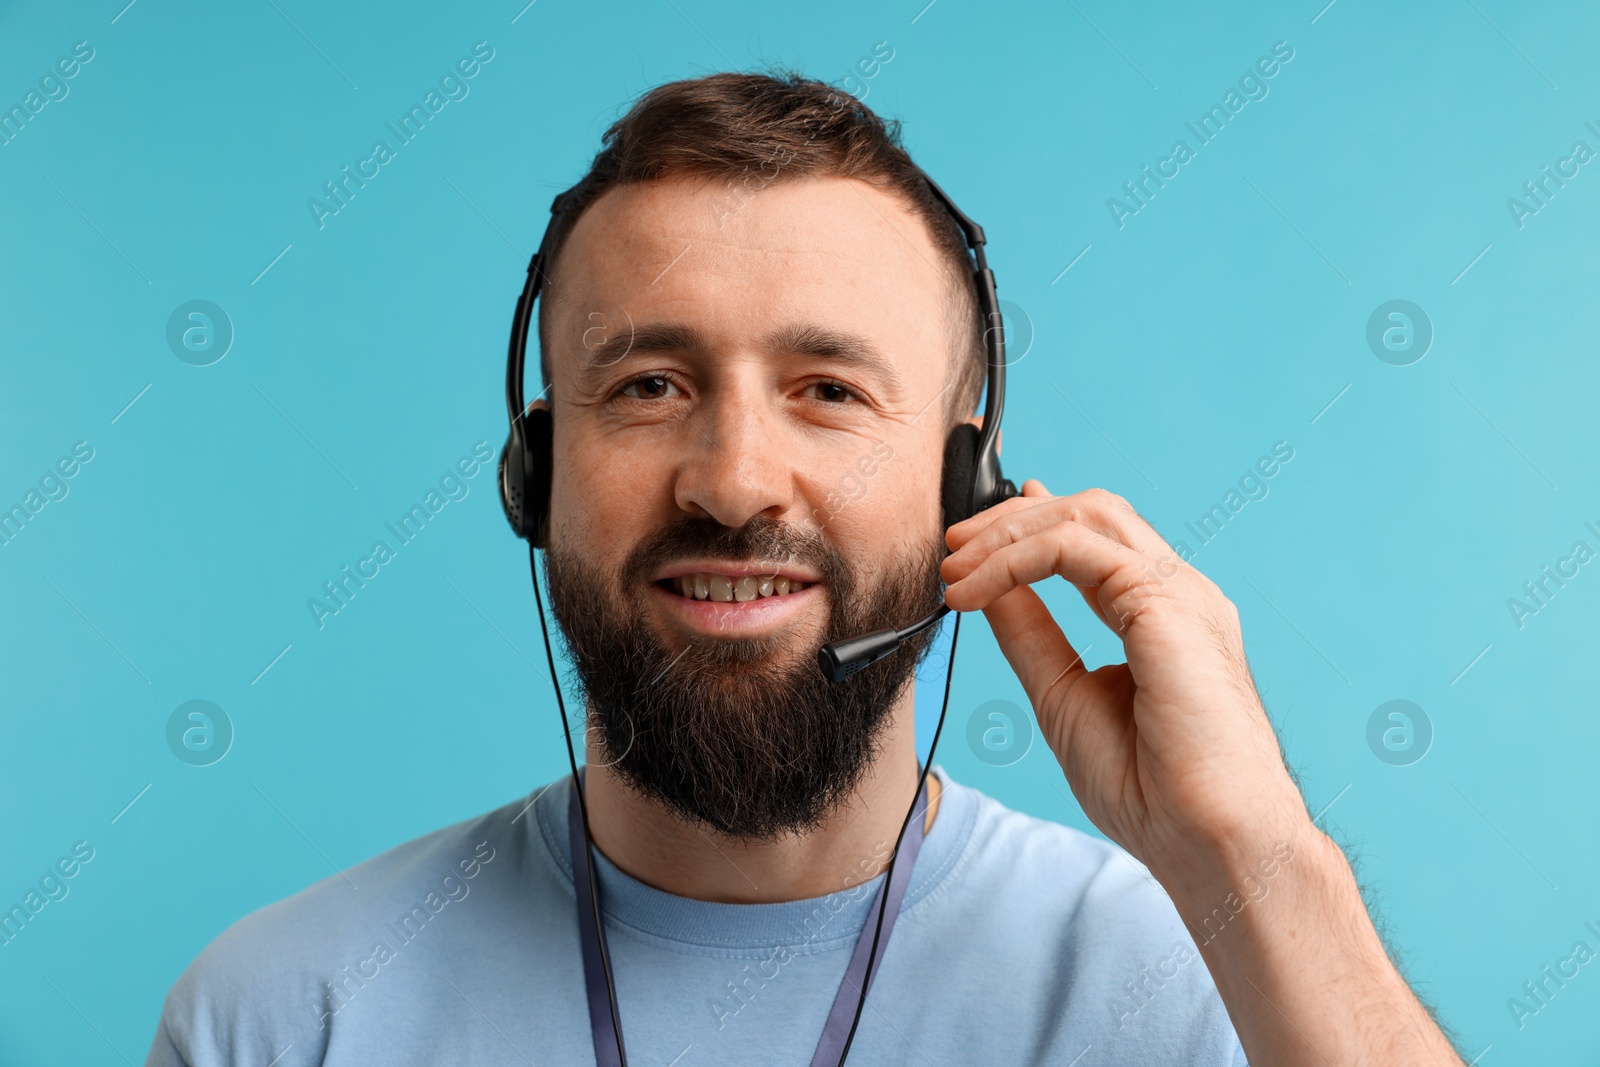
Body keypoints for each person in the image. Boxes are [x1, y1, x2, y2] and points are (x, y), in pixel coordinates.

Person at [147, 71, 1463, 1066]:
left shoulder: (1201, 990)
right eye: (651, 384)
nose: (732, 480)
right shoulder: (285, 1011)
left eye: (827, 389)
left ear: (969, 487)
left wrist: (1256, 859)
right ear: (536, 477)